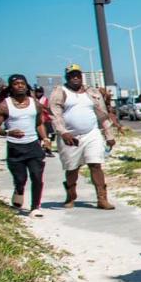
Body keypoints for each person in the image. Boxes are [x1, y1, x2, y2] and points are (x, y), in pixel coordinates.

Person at [49, 64, 116, 210]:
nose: (75, 77)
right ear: (67, 77)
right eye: (72, 75)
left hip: (91, 134)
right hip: (70, 137)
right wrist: (63, 132)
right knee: (72, 168)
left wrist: (109, 135)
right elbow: (55, 115)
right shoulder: (60, 92)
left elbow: (102, 114)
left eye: (78, 75)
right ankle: (71, 195)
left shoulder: (91, 92)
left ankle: (102, 198)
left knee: (95, 164)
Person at [0, 75, 48, 216]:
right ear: (11, 87)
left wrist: (45, 138)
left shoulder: (34, 103)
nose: (20, 86)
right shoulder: (4, 105)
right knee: (20, 178)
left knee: (37, 176)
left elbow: (39, 123)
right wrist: (8, 132)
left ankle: (35, 207)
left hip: (33, 145)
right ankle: (19, 190)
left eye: (22, 83)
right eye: (16, 84)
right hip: (15, 147)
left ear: (26, 85)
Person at [33, 86, 55, 156]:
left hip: (46, 120)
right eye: (37, 92)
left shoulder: (45, 100)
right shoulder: (33, 100)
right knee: (38, 136)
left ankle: (48, 150)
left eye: (40, 92)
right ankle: (38, 150)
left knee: (48, 136)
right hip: (37, 120)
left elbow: (48, 109)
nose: (38, 93)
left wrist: (40, 106)